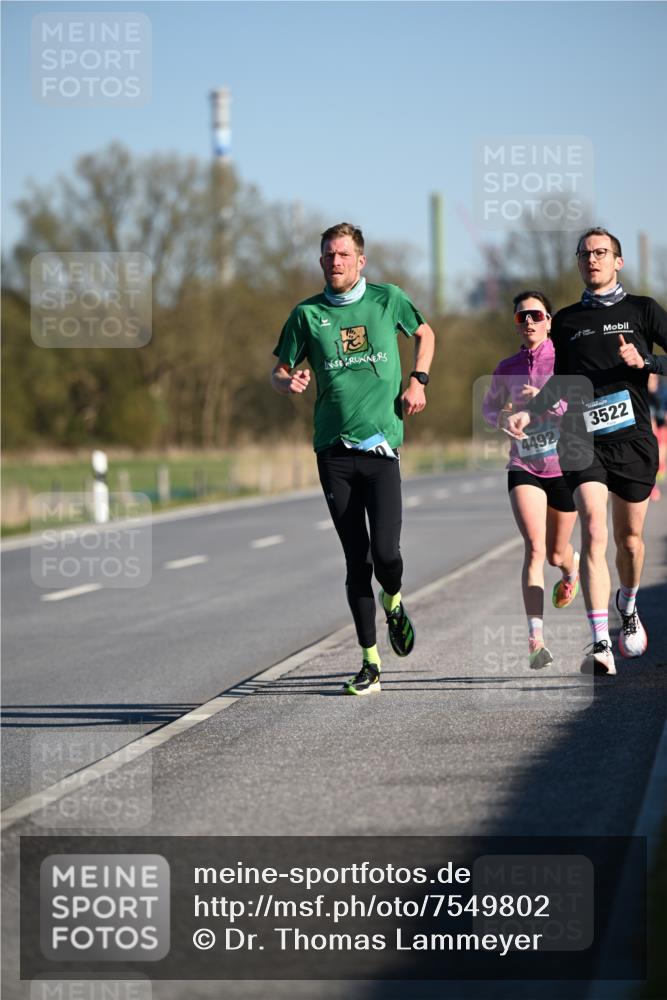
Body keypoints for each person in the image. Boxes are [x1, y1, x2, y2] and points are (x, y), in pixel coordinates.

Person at [271, 223, 435, 695]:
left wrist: (419, 380)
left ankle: (396, 601)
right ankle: (369, 663)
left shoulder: (387, 299)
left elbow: (425, 333)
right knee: (355, 560)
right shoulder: (307, 315)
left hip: (382, 448)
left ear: (360, 260)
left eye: (343, 254)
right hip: (333, 452)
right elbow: (279, 371)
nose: (334, 262)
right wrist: (289, 383)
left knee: (386, 553)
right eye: (327, 255)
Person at [506, 228, 667, 675]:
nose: (592, 259)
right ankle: (600, 643)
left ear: (618, 261)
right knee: (594, 530)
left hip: (633, 439)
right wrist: (530, 413)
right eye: (585, 254)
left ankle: (628, 605)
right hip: (581, 437)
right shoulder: (570, 321)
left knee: (628, 540)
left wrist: (648, 363)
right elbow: (560, 382)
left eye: (601, 253)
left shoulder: (643, 310)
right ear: (578, 263)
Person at [483, 291, 580, 670]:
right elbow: (490, 408)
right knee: (535, 549)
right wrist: (502, 420)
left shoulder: (566, 360)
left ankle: (571, 568)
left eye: (536, 315)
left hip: (565, 465)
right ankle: (535, 640)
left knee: (556, 553)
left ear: (549, 321)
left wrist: (545, 399)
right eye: (521, 317)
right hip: (524, 465)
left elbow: (579, 404)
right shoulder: (506, 367)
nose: (528, 322)